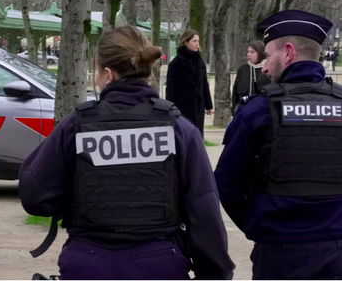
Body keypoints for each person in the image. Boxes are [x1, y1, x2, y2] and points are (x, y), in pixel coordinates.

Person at [18, 26, 235, 280]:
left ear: (107, 74)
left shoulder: (75, 127)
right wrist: (216, 274)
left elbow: (35, 195)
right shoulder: (179, 129)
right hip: (159, 264)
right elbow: (204, 212)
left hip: (88, 263)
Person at [214, 10, 342, 280]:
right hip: (335, 251)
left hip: (276, 250)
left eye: (268, 55)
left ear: (288, 52)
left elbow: (227, 184)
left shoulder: (255, 112)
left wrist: (261, 222)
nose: (264, 67)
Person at [166, 30, 213, 138]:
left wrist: (208, 105)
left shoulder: (200, 61)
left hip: (198, 105)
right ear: (185, 42)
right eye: (194, 41)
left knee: (197, 134)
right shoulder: (175, 63)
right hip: (182, 105)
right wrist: (171, 107)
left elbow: (204, 84)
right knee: (184, 135)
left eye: (198, 41)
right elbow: (170, 87)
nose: (197, 44)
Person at [231, 41, 271, 114]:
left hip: (263, 112)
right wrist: (235, 109)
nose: (249, 55)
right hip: (244, 112)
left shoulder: (268, 69)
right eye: (248, 52)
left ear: (260, 53)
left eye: (252, 52)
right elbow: (235, 91)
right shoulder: (243, 69)